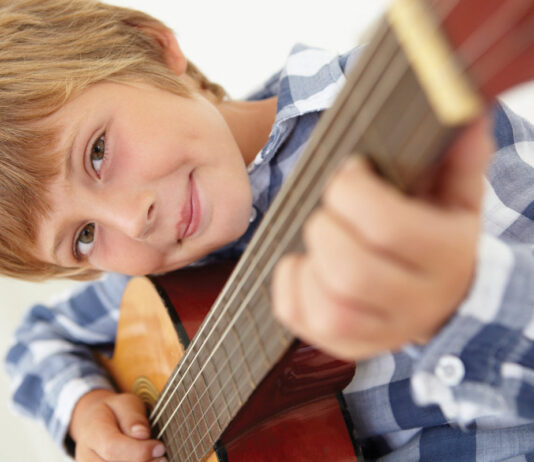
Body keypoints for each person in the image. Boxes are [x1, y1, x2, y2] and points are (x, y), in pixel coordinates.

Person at [2, 0, 534, 461]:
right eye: (84, 238)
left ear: (153, 53)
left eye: (97, 152)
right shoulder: (159, 283)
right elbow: (34, 342)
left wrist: (455, 302)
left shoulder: (389, 118)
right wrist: (85, 411)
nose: (130, 221)